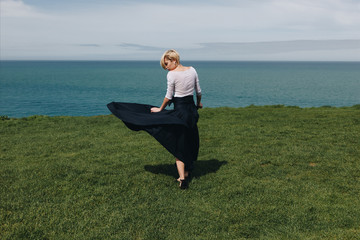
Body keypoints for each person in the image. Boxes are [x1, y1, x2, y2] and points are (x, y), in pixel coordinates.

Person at [107, 49, 202, 189]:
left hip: (180, 112)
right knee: (189, 139)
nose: (166, 67)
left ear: (174, 60)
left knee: (178, 143)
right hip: (191, 111)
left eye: (167, 64)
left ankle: (182, 179)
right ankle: (186, 171)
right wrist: (198, 103)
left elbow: (169, 95)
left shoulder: (172, 74)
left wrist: (160, 109)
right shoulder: (192, 70)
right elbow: (198, 91)